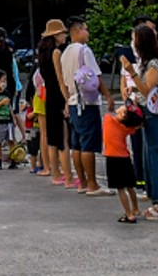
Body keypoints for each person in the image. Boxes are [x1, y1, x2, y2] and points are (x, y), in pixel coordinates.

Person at [129, 22, 158, 219]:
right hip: (147, 113)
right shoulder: (147, 64)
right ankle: (157, 200)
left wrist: (131, 73)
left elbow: (148, 90)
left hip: (154, 114)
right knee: (150, 157)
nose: (132, 43)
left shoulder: (154, 64)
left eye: (134, 39)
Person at [59, 18, 101, 195]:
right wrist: (106, 95)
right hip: (87, 102)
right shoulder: (84, 51)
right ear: (76, 31)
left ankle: (82, 182)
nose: (88, 33)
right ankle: (92, 184)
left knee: (76, 144)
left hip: (73, 101)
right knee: (88, 144)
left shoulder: (65, 53)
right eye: (85, 29)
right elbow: (96, 76)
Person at [36, 18, 71, 186]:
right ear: (56, 35)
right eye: (63, 33)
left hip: (49, 95)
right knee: (62, 138)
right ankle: (65, 175)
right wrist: (67, 99)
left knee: (52, 137)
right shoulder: (56, 53)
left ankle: (55, 173)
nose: (65, 35)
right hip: (57, 95)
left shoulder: (42, 53)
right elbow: (60, 78)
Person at [102, 93, 143, 224]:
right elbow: (137, 125)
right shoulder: (127, 128)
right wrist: (135, 108)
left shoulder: (108, 120)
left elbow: (110, 113)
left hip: (112, 158)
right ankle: (135, 208)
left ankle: (129, 214)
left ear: (123, 116)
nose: (121, 107)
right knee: (130, 186)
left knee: (120, 189)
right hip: (125, 158)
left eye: (123, 109)